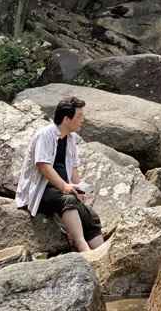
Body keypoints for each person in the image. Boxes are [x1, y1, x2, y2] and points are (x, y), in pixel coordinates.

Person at [15, 96, 104, 253]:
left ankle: (102, 253)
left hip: (59, 189)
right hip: (41, 190)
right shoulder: (45, 134)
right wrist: (65, 187)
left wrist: (81, 190)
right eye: (79, 116)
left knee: (90, 214)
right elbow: (43, 165)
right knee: (68, 200)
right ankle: (84, 249)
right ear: (66, 119)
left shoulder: (71, 138)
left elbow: (73, 168)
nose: (82, 120)